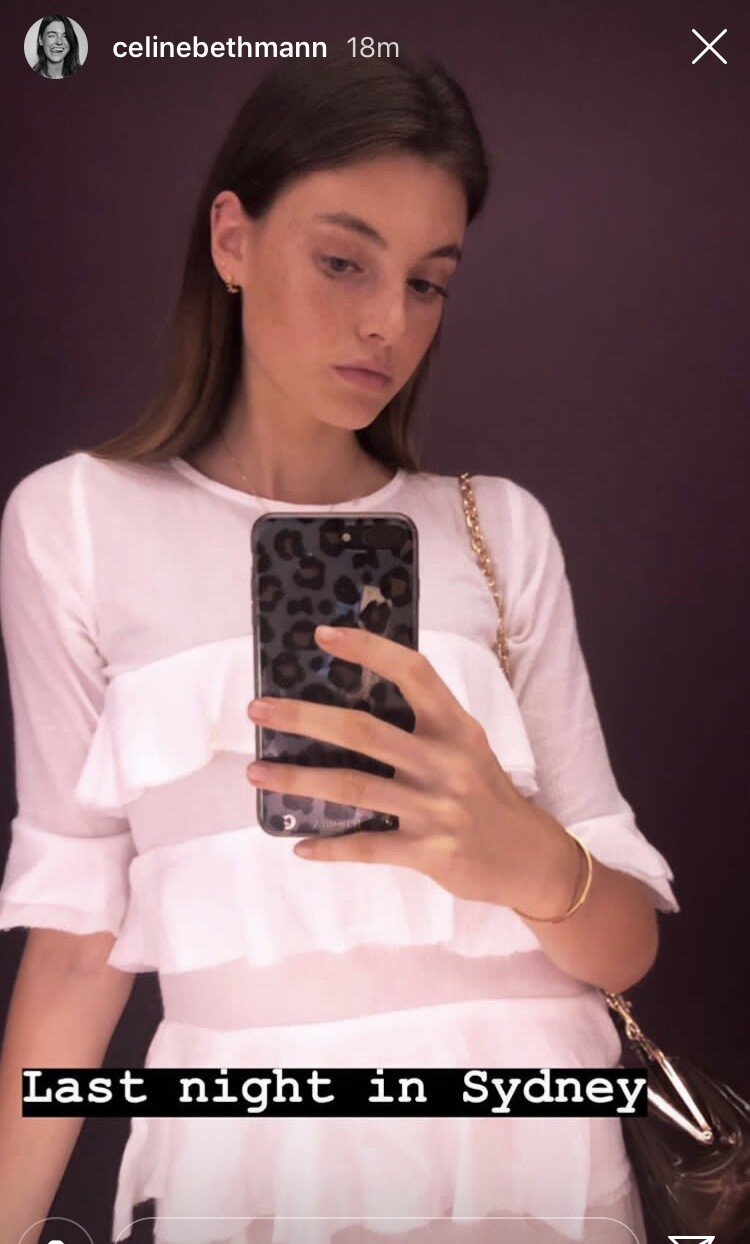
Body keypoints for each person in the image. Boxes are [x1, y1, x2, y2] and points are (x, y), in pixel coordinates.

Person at [0, 52, 678, 1244]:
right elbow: (73, 948)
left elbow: (624, 947)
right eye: (343, 261)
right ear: (233, 238)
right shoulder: (75, 523)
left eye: (428, 283)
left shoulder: (500, 529)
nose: (387, 322)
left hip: (531, 1162)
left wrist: (525, 857)